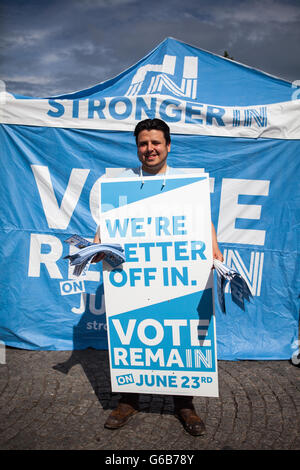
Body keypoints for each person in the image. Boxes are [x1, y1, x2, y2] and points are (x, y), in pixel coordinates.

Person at [93, 118, 223, 436]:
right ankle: (128, 400)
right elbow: (106, 226)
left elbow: (202, 218)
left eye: (155, 143)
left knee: (179, 330)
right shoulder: (119, 184)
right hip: (134, 275)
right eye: (142, 143)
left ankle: (184, 405)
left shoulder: (186, 182)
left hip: (176, 274)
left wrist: (214, 245)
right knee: (135, 331)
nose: (149, 149)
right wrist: (97, 244)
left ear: (167, 145)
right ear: (137, 147)